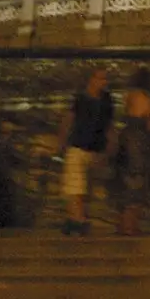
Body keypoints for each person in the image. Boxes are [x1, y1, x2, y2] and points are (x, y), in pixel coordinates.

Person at [56, 69, 114, 236]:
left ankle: (75, 220)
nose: (103, 82)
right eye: (100, 78)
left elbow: (108, 126)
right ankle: (78, 220)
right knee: (76, 187)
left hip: (93, 150)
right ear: (91, 79)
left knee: (78, 188)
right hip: (79, 147)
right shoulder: (85, 100)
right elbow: (69, 121)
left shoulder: (104, 101)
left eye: (105, 79)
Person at [115, 66, 150, 236]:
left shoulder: (129, 97)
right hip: (140, 141)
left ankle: (122, 224)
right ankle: (131, 226)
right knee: (138, 182)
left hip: (125, 138)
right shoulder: (147, 100)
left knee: (126, 181)